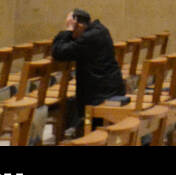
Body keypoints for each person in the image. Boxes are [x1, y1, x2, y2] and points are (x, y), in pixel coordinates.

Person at [51, 8, 127, 136]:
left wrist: (68, 31)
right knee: (72, 106)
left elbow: (59, 52)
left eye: (73, 29)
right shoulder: (100, 30)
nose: (73, 35)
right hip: (111, 88)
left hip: (101, 94)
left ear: (79, 25)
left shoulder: (89, 38)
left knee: (70, 107)